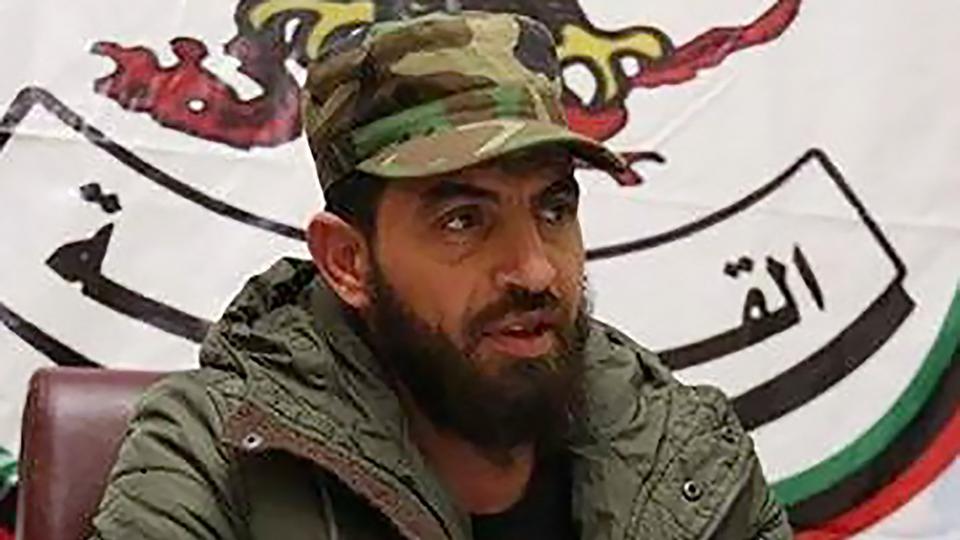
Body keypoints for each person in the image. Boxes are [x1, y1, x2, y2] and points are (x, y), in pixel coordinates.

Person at [89, 10, 791, 540]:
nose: (534, 269)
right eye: (463, 220)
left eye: (554, 208)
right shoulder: (217, 452)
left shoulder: (684, 451)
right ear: (348, 261)